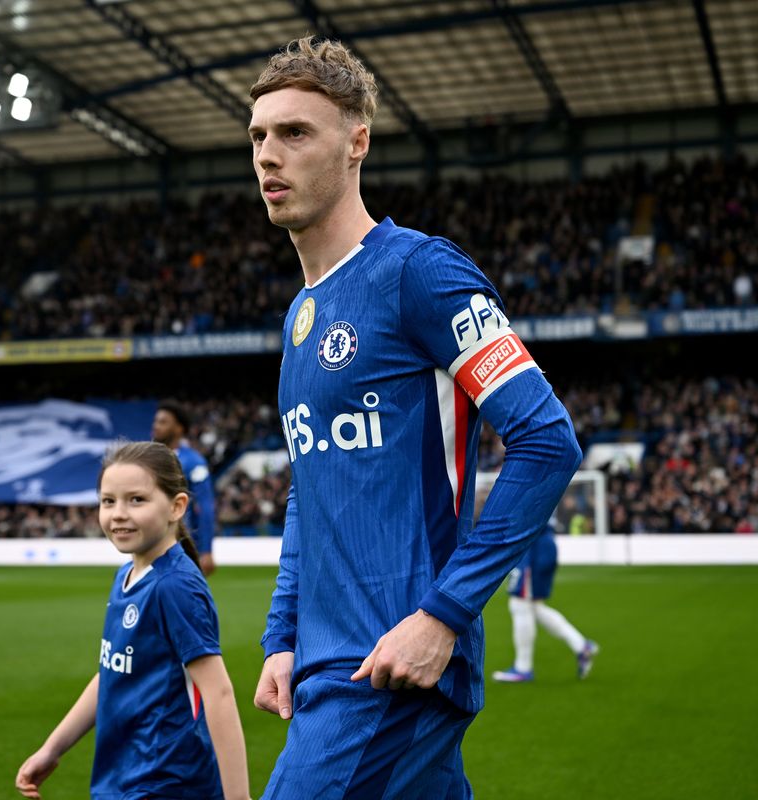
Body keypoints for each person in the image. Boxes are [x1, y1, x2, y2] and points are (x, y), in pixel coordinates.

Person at [248, 37, 583, 798]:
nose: (270, 155)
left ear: (356, 141)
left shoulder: (420, 272)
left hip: (393, 672)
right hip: (328, 668)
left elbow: (546, 441)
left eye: (296, 133)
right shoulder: (300, 315)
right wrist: (281, 636)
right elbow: (311, 488)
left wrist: (444, 616)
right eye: (259, 137)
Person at [15, 441, 250, 800]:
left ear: (177, 506)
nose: (118, 513)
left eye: (136, 500)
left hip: (165, 780)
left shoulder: (174, 586)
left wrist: (238, 798)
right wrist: (53, 748)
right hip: (120, 777)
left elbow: (218, 692)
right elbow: (113, 672)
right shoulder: (127, 574)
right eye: (108, 501)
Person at [492, 521, 599, 683]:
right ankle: (581, 645)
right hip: (540, 541)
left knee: (519, 604)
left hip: (532, 543)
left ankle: (523, 668)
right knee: (533, 606)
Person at [152, 401, 219, 576]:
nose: (156, 426)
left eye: (163, 422)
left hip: (181, 548)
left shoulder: (194, 462)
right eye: (156, 421)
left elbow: (205, 506)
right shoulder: (148, 460)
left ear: (179, 429)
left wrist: (206, 550)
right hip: (150, 545)